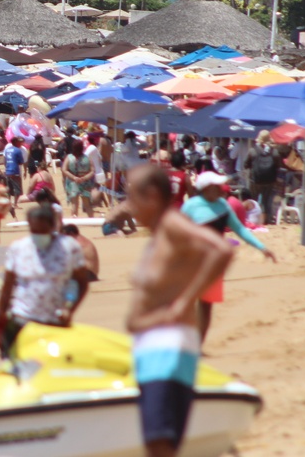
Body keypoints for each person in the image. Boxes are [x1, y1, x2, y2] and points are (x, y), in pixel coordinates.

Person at [124, 164, 235, 457]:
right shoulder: (160, 233)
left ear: (150, 196)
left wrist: (185, 302)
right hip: (153, 348)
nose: (128, 205)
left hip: (168, 347)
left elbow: (221, 250)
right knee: (158, 446)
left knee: (161, 446)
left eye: (131, 196)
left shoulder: (173, 224)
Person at [181, 172, 276, 342]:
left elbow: (239, 230)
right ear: (207, 188)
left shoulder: (223, 206)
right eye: (217, 186)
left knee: (206, 305)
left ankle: (197, 345)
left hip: (214, 263)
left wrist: (262, 248)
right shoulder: (191, 206)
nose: (222, 189)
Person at [0, 202, 93, 353]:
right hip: (22, 319)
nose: (38, 234)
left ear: (52, 226)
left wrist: (69, 310)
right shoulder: (18, 248)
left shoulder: (69, 248)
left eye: (42, 230)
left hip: (54, 321)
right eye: (34, 230)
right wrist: (0, 318)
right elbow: (7, 287)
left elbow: (82, 283)